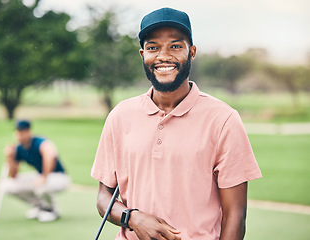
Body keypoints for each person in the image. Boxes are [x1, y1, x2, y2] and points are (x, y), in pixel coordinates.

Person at [91, 7, 262, 240]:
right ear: (142, 55)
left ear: (191, 52)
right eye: (153, 47)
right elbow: (103, 198)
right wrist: (132, 218)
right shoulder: (120, 115)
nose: (163, 56)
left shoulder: (224, 119)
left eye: (175, 46)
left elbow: (235, 214)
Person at [4, 120, 70, 222]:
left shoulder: (40, 142)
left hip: (59, 177)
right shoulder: (18, 148)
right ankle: (40, 207)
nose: (19, 135)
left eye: (22, 132)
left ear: (29, 131)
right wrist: (9, 158)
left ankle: (50, 210)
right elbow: (13, 175)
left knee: (41, 186)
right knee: (8, 186)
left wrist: (44, 176)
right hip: (42, 176)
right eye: (17, 132)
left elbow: (50, 155)